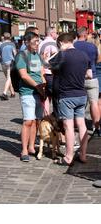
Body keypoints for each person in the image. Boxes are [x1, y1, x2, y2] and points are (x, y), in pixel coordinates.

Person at [49, 33, 90, 165]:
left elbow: (49, 65)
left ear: (60, 43)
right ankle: (83, 154)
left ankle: (68, 156)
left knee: (69, 127)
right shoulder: (84, 55)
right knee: (82, 125)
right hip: (81, 95)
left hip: (67, 96)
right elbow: (89, 74)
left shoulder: (62, 55)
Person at [16, 32, 46, 162]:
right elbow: (24, 75)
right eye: (35, 41)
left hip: (38, 92)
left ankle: (31, 146)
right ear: (27, 42)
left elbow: (41, 72)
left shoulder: (37, 56)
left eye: (38, 41)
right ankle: (24, 150)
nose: (37, 44)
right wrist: (36, 86)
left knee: (36, 120)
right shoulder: (21, 56)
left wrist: (43, 86)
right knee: (28, 121)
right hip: (27, 91)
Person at [74, 27, 100, 135]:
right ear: (85, 35)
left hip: (77, 78)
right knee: (94, 103)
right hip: (92, 77)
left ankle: (77, 125)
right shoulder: (92, 46)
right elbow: (97, 60)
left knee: (78, 103)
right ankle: (97, 127)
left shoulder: (73, 46)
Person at [38, 27, 58, 117]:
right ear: (51, 33)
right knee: (54, 96)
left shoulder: (40, 43)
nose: (56, 34)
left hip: (41, 72)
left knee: (46, 96)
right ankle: (55, 118)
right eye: (55, 33)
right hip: (50, 72)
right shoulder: (53, 43)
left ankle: (45, 116)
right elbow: (55, 57)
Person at [0, 32, 17, 100]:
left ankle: (12, 92)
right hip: (10, 62)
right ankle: (4, 93)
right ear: (10, 37)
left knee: (8, 78)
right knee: (9, 78)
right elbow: (15, 53)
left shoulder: (1, 45)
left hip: (3, 63)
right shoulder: (12, 44)